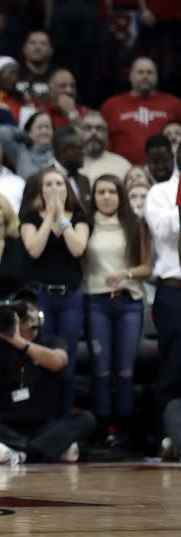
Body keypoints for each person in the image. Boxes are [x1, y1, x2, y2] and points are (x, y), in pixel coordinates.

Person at [0, 290, 96, 464]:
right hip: (5, 425)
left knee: (86, 419)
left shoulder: (51, 341)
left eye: (33, 309)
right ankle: (49, 450)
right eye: (23, 310)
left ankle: (18, 453)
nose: (29, 313)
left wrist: (17, 341)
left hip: (44, 426)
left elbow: (59, 362)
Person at [82, 175, 151, 447]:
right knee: (100, 370)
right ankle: (100, 432)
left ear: (121, 196)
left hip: (129, 302)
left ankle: (125, 432)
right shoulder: (84, 225)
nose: (107, 196)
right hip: (95, 302)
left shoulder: (135, 225)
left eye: (112, 191)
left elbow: (147, 268)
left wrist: (127, 272)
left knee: (124, 371)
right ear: (94, 196)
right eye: (101, 191)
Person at [20, 168, 90, 415]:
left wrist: (62, 217)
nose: (54, 189)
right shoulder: (30, 217)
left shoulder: (79, 217)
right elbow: (34, 250)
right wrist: (49, 216)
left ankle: (64, 419)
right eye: (48, 184)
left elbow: (78, 249)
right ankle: (42, 417)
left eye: (59, 183)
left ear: (67, 188)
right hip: (42, 298)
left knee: (66, 362)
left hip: (70, 298)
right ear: (40, 190)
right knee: (43, 358)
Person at [146, 145, 181, 443]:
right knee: (172, 367)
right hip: (174, 292)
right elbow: (163, 229)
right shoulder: (160, 193)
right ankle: (166, 438)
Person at [101, 57, 181, 165]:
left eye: (149, 72)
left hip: (165, 169)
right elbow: (103, 140)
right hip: (122, 170)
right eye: (140, 72)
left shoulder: (174, 104)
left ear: (157, 76)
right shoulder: (111, 106)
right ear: (131, 75)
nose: (145, 76)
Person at [0, 112, 55, 180]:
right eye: (39, 127)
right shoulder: (21, 151)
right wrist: (25, 135)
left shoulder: (59, 151)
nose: (44, 131)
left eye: (47, 127)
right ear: (29, 131)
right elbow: (2, 132)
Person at [79, 111, 132, 186]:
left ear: (106, 134)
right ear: (80, 133)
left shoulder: (122, 165)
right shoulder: (70, 163)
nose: (94, 132)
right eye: (88, 128)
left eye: (99, 128)